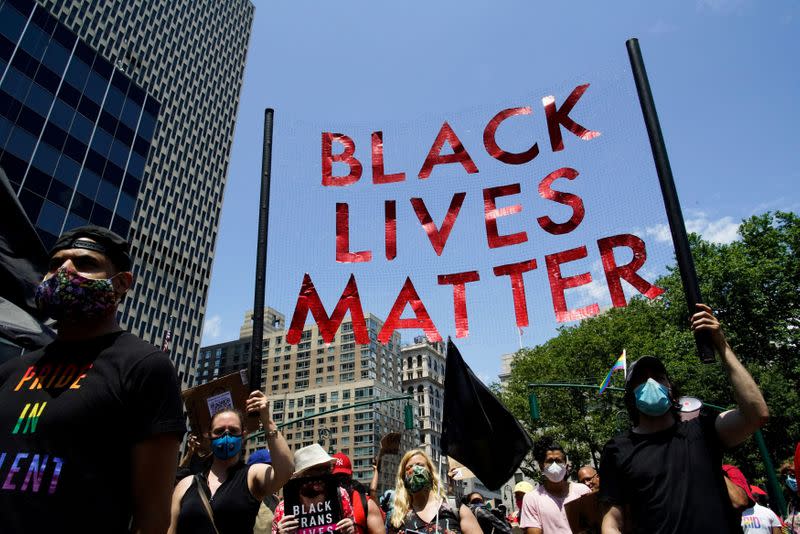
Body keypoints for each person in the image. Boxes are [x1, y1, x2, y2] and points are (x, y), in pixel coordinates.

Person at [0, 225, 186, 532]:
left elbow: (151, 519)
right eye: (55, 264)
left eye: (86, 263)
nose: (65, 271)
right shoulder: (11, 370)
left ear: (122, 283)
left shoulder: (143, 366)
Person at [599, 304, 769, 534]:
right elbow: (611, 522)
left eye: (658, 377)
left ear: (671, 389)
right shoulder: (617, 449)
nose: (651, 383)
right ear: (630, 397)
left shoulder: (704, 429)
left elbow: (756, 414)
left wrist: (721, 344)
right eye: (641, 379)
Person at [169, 395, 293, 534]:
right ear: (209, 435)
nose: (226, 436)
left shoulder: (251, 476)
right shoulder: (185, 485)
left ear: (243, 434)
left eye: (233, 431)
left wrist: (267, 420)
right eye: (219, 431)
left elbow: (285, 471)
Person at [387, 448, 481, 534]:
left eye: (420, 465)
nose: (415, 470)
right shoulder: (398, 517)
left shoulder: (454, 507)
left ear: (431, 472)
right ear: (404, 478)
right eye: (409, 468)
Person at [273, 444, 356, 534]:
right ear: (300, 477)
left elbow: (353, 527)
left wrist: (351, 528)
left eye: (326, 470)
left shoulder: (340, 494)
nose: (320, 477)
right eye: (314, 472)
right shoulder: (283, 508)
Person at [519, 437, 590, 534]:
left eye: (558, 461)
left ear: (566, 464)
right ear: (541, 466)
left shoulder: (582, 491)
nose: (554, 465)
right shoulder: (532, 499)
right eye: (549, 461)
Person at [333, 452, 386, 534]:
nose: (340, 481)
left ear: (351, 475)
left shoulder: (367, 504)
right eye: (335, 477)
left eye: (344, 476)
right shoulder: (320, 503)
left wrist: (356, 530)